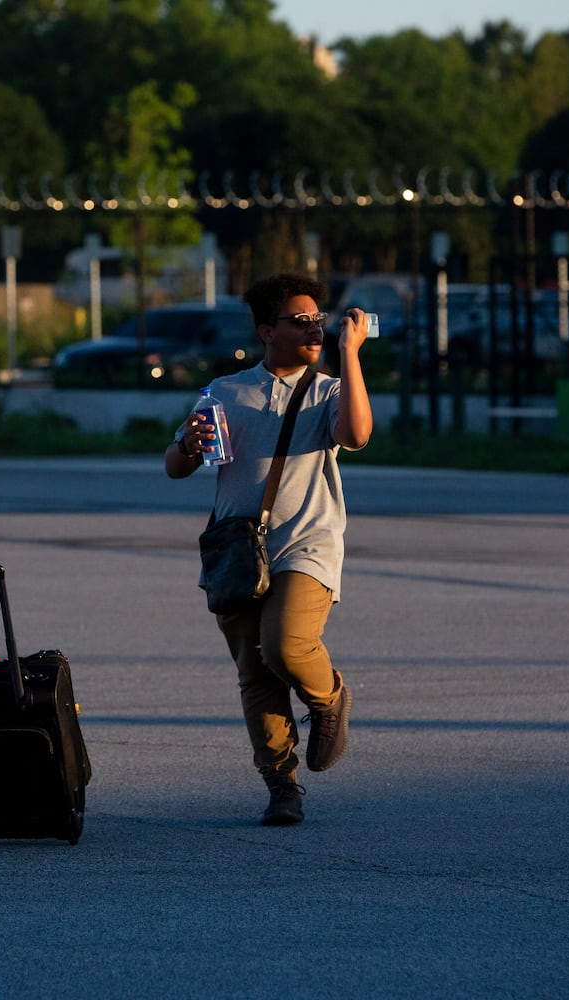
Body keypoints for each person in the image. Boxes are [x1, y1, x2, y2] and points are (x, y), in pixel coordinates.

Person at [164, 272, 373, 826]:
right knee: (255, 675)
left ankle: (329, 699)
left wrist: (349, 356)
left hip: (307, 544)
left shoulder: (329, 389)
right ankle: (282, 784)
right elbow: (176, 465)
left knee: (284, 644)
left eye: (318, 321)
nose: (314, 329)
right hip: (238, 548)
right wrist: (188, 442)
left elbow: (356, 434)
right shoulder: (225, 391)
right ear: (265, 330)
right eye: (299, 321)